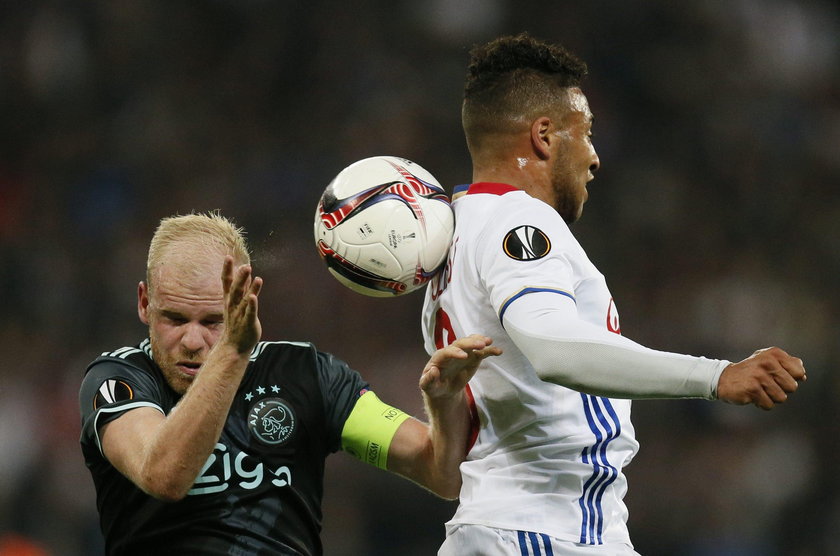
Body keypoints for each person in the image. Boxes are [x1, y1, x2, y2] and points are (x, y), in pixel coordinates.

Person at [421, 33, 807, 556]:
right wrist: (716, 376)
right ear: (544, 136)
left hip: (527, 526)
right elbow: (553, 348)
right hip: (544, 529)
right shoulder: (520, 219)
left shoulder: (453, 241)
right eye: (586, 132)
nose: (595, 158)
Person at [78, 211, 501, 555]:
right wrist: (230, 351)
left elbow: (440, 474)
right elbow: (165, 475)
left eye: (213, 322)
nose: (192, 341)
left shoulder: (305, 375)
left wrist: (443, 401)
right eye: (173, 319)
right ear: (144, 303)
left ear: (244, 305)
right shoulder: (119, 380)